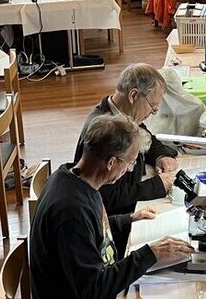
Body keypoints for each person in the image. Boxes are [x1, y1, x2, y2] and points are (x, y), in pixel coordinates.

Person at [31, 115, 193, 299]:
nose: (130, 169)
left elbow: (91, 232)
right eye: (131, 162)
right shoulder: (71, 211)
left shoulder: (76, 178)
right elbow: (91, 290)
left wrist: (128, 219)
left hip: (88, 294)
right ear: (111, 163)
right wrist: (150, 254)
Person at [74, 64, 179, 217]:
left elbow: (144, 135)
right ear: (133, 95)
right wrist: (157, 185)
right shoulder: (108, 131)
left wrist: (160, 156)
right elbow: (107, 198)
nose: (152, 113)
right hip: (114, 218)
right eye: (153, 106)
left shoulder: (122, 113)